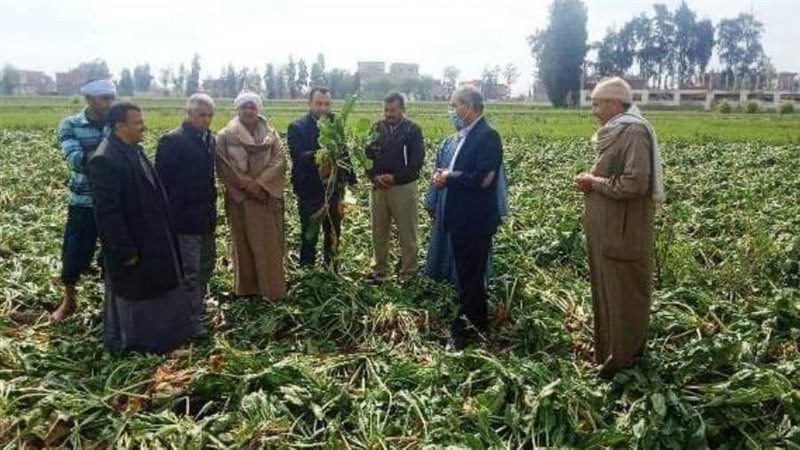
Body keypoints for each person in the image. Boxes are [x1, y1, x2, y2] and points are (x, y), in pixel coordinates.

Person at [573, 76, 664, 376]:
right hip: (609, 231)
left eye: (597, 104)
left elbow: (636, 183)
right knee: (608, 294)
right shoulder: (616, 130)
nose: (594, 110)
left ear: (615, 103)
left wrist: (593, 182)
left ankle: (621, 361)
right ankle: (608, 356)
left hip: (622, 234)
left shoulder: (633, 133)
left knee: (622, 296)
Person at [87, 102, 192, 355]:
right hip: (134, 245)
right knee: (137, 298)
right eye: (137, 123)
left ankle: (163, 342)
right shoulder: (105, 160)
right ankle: (137, 347)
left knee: (159, 292)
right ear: (119, 126)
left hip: (153, 238)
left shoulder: (133, 149)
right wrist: (126, 250)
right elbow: (107, 215)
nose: (143, 126)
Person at [431, 86, 504, 350]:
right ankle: (474, 320)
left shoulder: (487, 136)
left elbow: (484, 179)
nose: (452, 111)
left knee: (471, 274)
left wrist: (450, 177)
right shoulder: (466, 135)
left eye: (455, 106)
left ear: (470, 107)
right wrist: (444, 177)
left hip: (475, 221)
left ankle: (470, 326)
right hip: (462, 219)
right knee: (466, 273)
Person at [51, 79, 115, 322]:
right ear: (89, 99)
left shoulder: (116, 121)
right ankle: (69, 300)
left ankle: (111, 303)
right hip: (83, 201)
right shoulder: (71, 124)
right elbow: (76, 160)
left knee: (114, 252)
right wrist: (110, 154)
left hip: (112, 202)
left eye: (111, 97)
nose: (109, 102)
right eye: (104, 98)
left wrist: (99, 156)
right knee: (74, 252)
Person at [155, 93, 218, 337]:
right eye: (202, 115)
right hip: (183, 220)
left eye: (210, 115)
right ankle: (190, 320)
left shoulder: (209, 139)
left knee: (206, 266)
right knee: (189, 272)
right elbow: (162, 183)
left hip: (206, 218)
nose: (207, 119)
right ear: (189, 114)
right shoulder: (172, 141)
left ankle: (197, 307)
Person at [216, 92, 287, 301]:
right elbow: (224, 167)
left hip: (266, 197)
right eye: (244, 107)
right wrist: (248, 187)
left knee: (270, 246)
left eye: (252, 107)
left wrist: (261, 184)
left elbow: (280, 161)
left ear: (258, 110)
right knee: (244, 245)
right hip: (242, 200)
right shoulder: (225, 136)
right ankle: (247, 289)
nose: (249, 111)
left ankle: (271, 290)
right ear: (237, 109)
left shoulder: (271, 135)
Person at [288, 87, 356, 268]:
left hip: (334, 190)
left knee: (333, 232)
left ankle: (331, 270)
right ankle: (307, 273)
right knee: (309, 235)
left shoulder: (336, 125)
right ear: (309, 104)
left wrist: (350, 176)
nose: (323, 108)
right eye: (319, 103)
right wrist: (321, 154)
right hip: (310, 190)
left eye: (327, 104)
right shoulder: (297, 127)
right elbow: (298, 156)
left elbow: (344, 153)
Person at [364, 92, 425, 285]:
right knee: (379, 230)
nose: (389, 114)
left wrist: (396, 177)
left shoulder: (412, 130)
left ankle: (409, 273)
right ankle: (380, 271)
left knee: (407, 231)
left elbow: (416, 162)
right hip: (379, 188)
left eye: (393, 110)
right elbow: (367, 157)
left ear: (402, 110)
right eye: (386, 110)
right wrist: (374, 176)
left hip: (403, 188)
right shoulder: (376, 128)